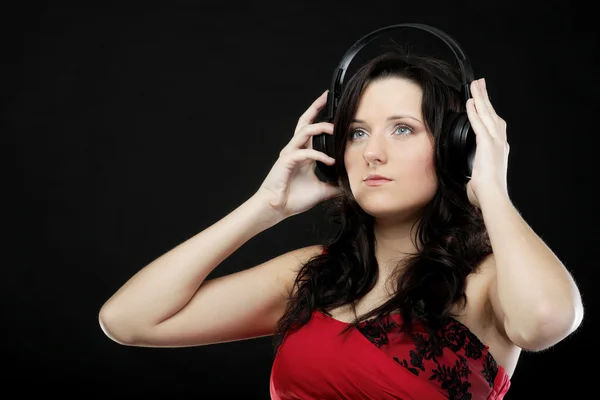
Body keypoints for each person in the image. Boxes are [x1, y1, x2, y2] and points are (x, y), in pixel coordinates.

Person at [98, 49, 584, 399]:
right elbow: (128, 320)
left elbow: (545, 322)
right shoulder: (311, 276)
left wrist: (491, 190)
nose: (372, 151)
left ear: (456, 146)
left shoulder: (489, 282)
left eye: (402, 129)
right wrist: (265, 207)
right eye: (356, 132)